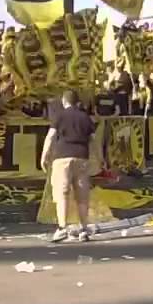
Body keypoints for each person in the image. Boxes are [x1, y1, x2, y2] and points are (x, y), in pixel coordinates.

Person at [41, 90, 95, 243]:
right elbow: (93, 140)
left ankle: (62, 228)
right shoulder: (85, 117)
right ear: (77, 102)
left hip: (62, 157)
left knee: (62, 192)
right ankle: (84, 229)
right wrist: (101, 158)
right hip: (82, 157)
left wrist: (44, 155)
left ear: (64, 102)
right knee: (82, 195)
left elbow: (51, 136)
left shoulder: (59, 116)